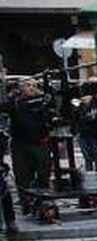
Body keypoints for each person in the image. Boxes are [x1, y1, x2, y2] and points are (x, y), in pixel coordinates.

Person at [1, 78, 55, 207]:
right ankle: (25, 200)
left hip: (40, 142)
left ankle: (43, 198)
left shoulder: (42, 100)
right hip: (20, 144)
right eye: (27, 85)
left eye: (33, 85)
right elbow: (3, 107)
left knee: (43, 171)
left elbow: (53, 110)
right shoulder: (15, 102)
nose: (31, 88)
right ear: (21, 88)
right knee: (22, 174)